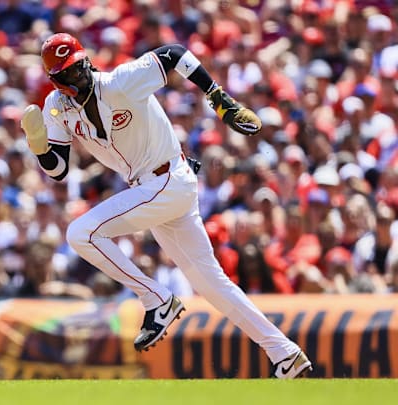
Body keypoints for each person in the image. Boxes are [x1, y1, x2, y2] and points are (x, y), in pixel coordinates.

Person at [20, 32, 311, 379]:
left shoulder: (118, 82)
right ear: (56, 79)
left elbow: (174, 53)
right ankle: (285, 354)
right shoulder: (56, 107)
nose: (79, 73)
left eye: (80, 64)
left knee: (80, 233)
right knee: (211, 284)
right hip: (155, 190)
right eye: (69, 71)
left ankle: (156, 299)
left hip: (168, 180)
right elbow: (59, 169)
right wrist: (38, 145)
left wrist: (218, 97)